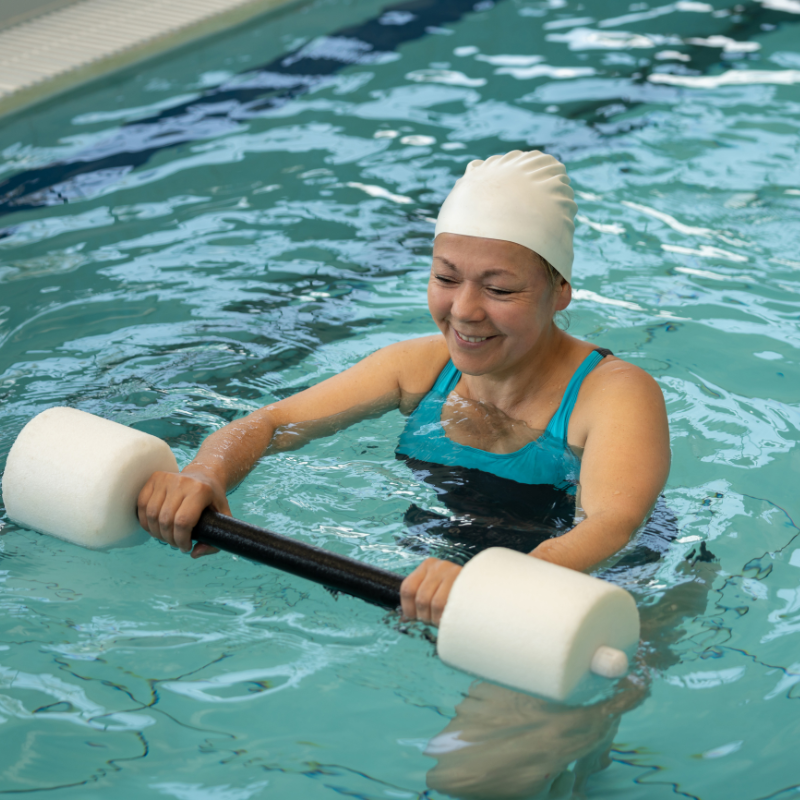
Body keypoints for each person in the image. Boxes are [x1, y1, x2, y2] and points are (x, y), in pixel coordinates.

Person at [137, 150, 670, 627]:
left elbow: (613, 522)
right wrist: (206, 473)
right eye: (445, 278)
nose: (464, 310)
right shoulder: (419, 367)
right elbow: (273, 423)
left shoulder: (615, 394)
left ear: (560, 292)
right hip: (452, 579)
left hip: (613, 585)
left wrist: (496, 582)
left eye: (499, 288)